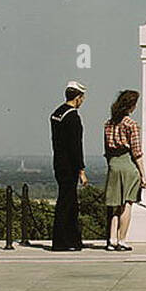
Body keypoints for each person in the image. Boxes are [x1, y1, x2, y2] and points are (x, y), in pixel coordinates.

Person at [104, 89, 146, 251]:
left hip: (114, 164)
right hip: (128, 164)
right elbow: (137, 152)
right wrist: (143, 175)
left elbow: (107, 150)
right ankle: (122, 239)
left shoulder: (108, 124)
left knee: (115, 204)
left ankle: (111, 239)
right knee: (127, 204)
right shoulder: (131, 125)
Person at [50, 81, 88, 251]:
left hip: (59, 163)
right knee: (67, 203)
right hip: (70, 166)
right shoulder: (72, 117)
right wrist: (81, 170)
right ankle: (63, 241)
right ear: (78, 98)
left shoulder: (57, 113)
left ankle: (70, 239)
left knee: (68, 201)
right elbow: (76, 146)